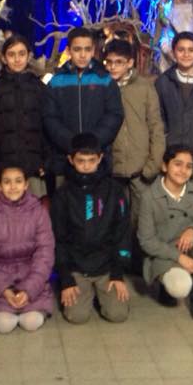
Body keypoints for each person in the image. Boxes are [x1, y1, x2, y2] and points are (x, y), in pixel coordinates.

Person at [51, 133, 131, 324]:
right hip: (77, 267)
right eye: (81, 161)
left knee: (118, 314)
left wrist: (118, 273)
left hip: (106, 266)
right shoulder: (63, 195)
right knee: (77, 316)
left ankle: (100, 293)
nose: (86, 166)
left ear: (100, 158)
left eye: (91, 160)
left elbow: (123, 233)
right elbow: (58, 239)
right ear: (71, 160)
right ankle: (85, 292)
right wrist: (66, 279)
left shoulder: (115, 191)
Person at [137, 145, 193, 320]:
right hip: (164, 254)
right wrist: (179, 257)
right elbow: (146, 241)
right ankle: (165, 285)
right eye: (178, 164)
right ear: (165, 166)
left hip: (189, 247)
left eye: (188, 166)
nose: (183, 171)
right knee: (180, 287)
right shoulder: (149, 197)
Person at [0, 164, 54, 334]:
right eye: (7, 182)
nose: (13, 186)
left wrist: (29, 289)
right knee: (4, 325)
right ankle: (3, 303)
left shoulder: (38, 211)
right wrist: (4, 289)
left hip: (31, 276)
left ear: (26, 185)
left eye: (18, 181)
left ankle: (29, 302)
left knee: (31, 322)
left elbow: (45, 253)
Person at [44, 27, 124, 182]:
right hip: (65, 160)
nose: (82, 55)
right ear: (68, 50)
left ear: (93, 50)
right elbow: (50, 118)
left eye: (87, 49)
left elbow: (114, 115)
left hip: (98, 160)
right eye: (77, 49)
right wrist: (72, 144)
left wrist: (92, 143)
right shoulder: (56, 82)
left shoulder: (104, 79)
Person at [102, 38, 166, 226]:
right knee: (116, 220)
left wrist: (152, 165)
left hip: (141, 169)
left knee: (142, 221)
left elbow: (156, 126)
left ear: (130, 63)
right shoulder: (102, 87)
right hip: (113, 169)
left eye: (119, 62)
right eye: (109, 62)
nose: (113, 67)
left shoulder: (144, 87)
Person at [154, 31, 193, 207]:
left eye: (191, 50)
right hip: (174, 158)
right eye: (181, 50)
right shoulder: (163, 82)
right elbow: (158, 116)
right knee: (174, 208)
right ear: (173, 52)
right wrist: (166, 139)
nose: (186, 54)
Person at [0, 35, 48, 199]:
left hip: (34, 166)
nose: (17, 59)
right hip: (6, 168)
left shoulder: (39, 88)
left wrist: (45, 163)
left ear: (28, 56)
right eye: (11, 54)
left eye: (21, 54)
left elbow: (46, 128)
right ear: (4, 58)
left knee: (34, 208)